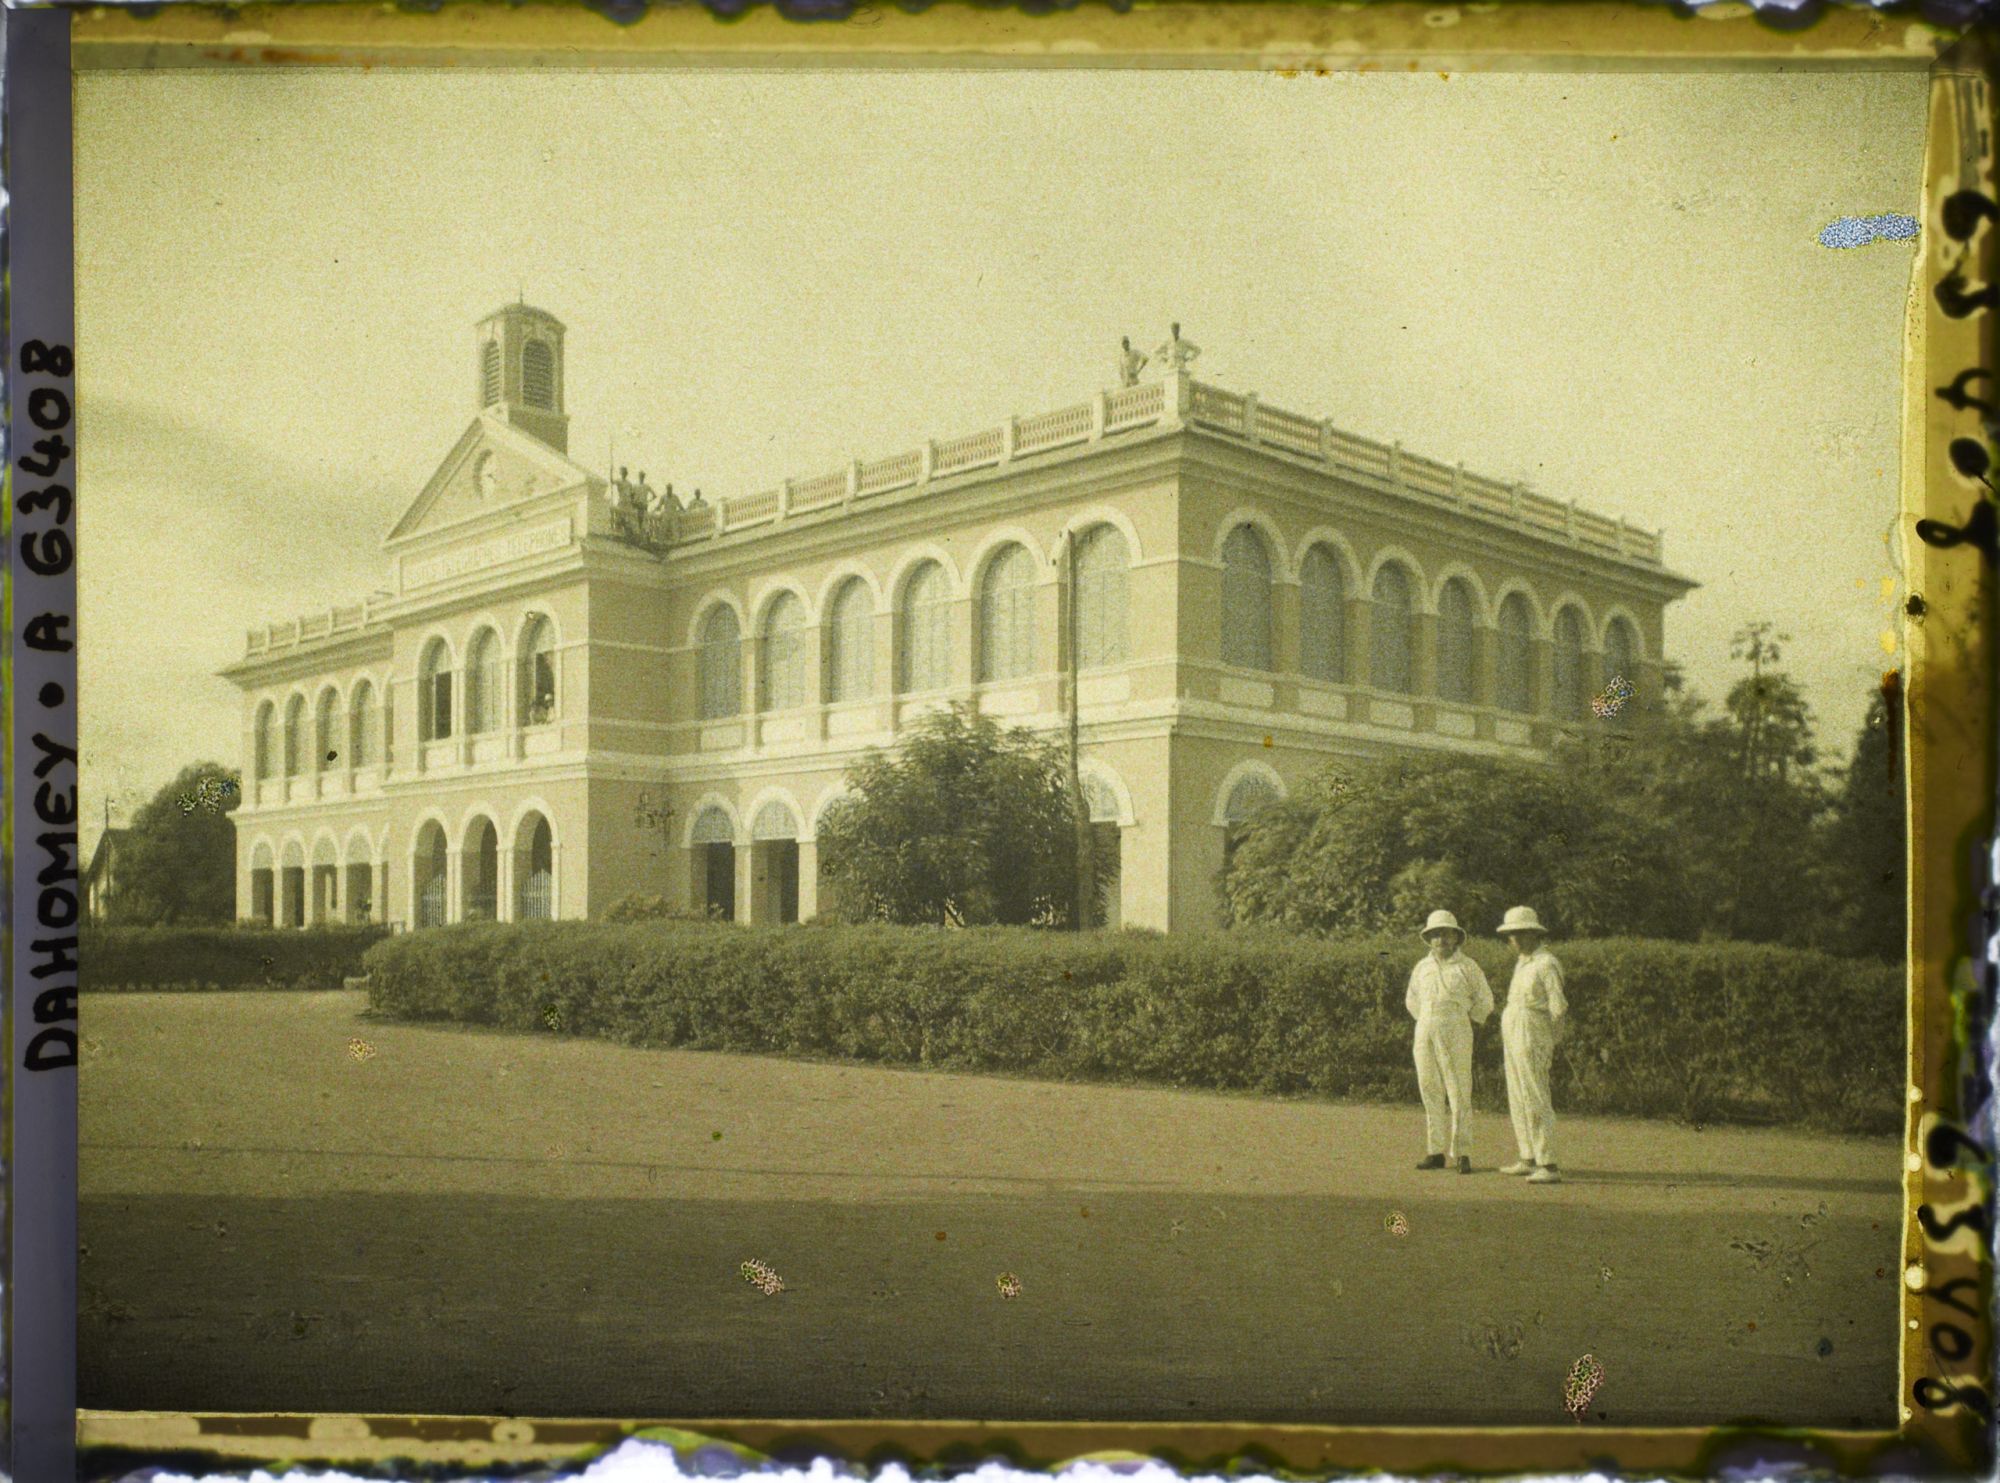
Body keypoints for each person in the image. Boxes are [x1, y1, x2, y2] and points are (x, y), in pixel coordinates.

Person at [1406, 909, 1494, 1174]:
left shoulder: (1468, 967)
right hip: (1425, 1028)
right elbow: (1412, 1000)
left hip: (1456, 1027)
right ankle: (1435, 1151)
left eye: (1446, 934)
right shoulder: (1422, 967)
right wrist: (1428, 1020)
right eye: (1435, 934)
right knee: (1429, 1087)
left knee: (1458, 1089)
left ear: (1456, 937)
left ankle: (1462, 1152)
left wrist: (1463, 1020)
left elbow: (1485, 1001)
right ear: (1428, 939)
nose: (1441, 939)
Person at [1496, 905, 1569, 1185]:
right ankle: (1528, 1157)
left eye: (1518, 933)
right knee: (1518, 1094)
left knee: (1536, 1095)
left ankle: (1548, 1164)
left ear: (1532, 934)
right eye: (1511, 934)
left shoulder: (1546, 963)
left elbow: (1558, 1007)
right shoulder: (1523, 962)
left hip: (1533, 1030)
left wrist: (1550, 1041)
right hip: (1514, 1027)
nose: (1513, 939)